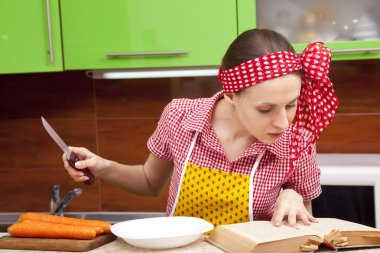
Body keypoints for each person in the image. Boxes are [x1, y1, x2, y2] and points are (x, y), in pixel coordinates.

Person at [62, 29, 338, 228]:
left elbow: (304, 227)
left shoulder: (298, 139)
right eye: (265, 109)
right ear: (231, 94)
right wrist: (102, 166)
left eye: (291, 105)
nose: (283, 122)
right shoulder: (180, 116)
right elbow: (149, 182)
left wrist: (293, 195)